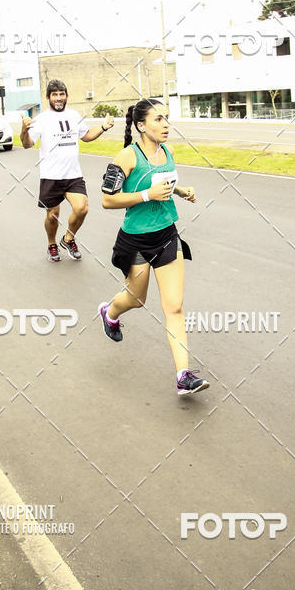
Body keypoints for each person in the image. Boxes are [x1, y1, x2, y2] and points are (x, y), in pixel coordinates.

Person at [98, 98, 209, 396]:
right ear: (141, 125)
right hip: (135, 240)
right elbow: (107, 199)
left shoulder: (167, 151)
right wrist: (148, 194)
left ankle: (183, 375)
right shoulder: (127, 156)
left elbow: (165, 184)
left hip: (166, 236)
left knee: (174, 306)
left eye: (167, 118)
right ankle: (109, 312)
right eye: (158, 119)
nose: (166, 125)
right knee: (136, 299)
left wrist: (181, 191)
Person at [20, 79, 114, 261]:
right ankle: (51, 244)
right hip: (51, 176)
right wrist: (24, 130)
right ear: (48, 97)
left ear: (66, 96)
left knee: (82, 208)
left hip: (73, 175)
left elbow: (86, 136)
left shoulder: (73, 115)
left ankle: (68, 239)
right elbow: (27, 144)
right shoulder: (41, 119)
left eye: (61, 94)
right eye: (54, 95)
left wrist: (103, 127)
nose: (58, 98)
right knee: (52, 215)